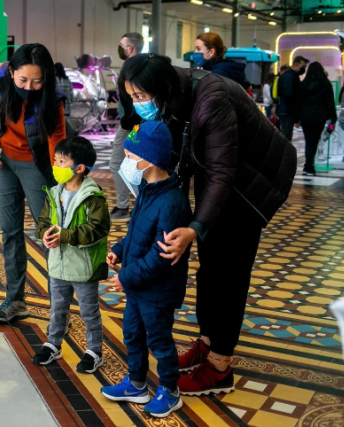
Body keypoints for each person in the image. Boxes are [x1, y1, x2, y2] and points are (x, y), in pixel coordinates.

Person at [117, 54, 296, 396]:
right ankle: (207, 340)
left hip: (255, 183)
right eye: (133, 97)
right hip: (223, 178)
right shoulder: (171, 97)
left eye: (142, 97)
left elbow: (220, 172)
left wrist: (196, 227)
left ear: (163, 88)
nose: (138, 104)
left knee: (229, 272)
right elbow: (175, 157)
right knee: (209, 269)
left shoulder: (211, 99)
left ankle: (219, 366)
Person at [100, 121, 192, 418]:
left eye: (129, 156)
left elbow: (161, 256)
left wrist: (125, 277)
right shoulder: (148, 190)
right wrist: (118, 249)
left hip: (158, 289)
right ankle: (137, 383)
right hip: (139, 286)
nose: (126, 162)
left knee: (159, 340)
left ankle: (170, 390)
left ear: (148, 159)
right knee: (133, 333)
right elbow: (137, 233)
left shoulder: (171, 202)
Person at [0, 43, 67, 324]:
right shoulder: (0, 81)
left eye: (37, 81)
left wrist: (61, 173)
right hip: (5, 162)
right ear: (12, 73)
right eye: (22, 80)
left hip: (36, 164)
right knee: (10, 231)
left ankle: (60, 308)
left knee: (48, 234)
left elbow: (57, 135)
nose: (29, 87)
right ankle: (15, 300)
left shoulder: (51, 97)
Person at [33, 136, 110, 373]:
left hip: (84, 268)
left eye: (61, 162)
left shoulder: (93, 196)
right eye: (55, 160)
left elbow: (98, 228)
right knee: (57, 308)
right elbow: (44, 221)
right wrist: (44, 233)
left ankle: (94, 351)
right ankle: (53, 344)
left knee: (89, 311)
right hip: (58, 264)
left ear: (79, 168)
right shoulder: (54, 192)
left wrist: (66, 235)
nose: (55, 166)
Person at [109, 32, 143, 221]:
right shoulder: (142, 66)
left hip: (131, 124)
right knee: (137, 164)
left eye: (122, 45)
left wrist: (130, 121)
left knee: (117, 163)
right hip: (135, 123)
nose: (120, 49)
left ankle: (125, 207)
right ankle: (139, 205)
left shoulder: (132, 68)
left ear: (129, 48)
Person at [297, 62, 337, 176]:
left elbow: (298, 103)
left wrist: (297, 118)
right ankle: (309, 166)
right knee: (314, 141)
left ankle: (308, 165)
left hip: (305, 117)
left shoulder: (303, 84)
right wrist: (332, 119)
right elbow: (330, 103)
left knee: (308, 141)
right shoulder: (325, 84)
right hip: (319, 117)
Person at [277, 55, 310, 141]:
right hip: (287, 112)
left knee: (286, 136)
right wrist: (295, 113)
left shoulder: (290, 76)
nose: (303, 69)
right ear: (295, 64)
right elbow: (289, 96)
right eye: (302, 66)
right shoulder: (290, 77)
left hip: (286, 111)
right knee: (286, 137)